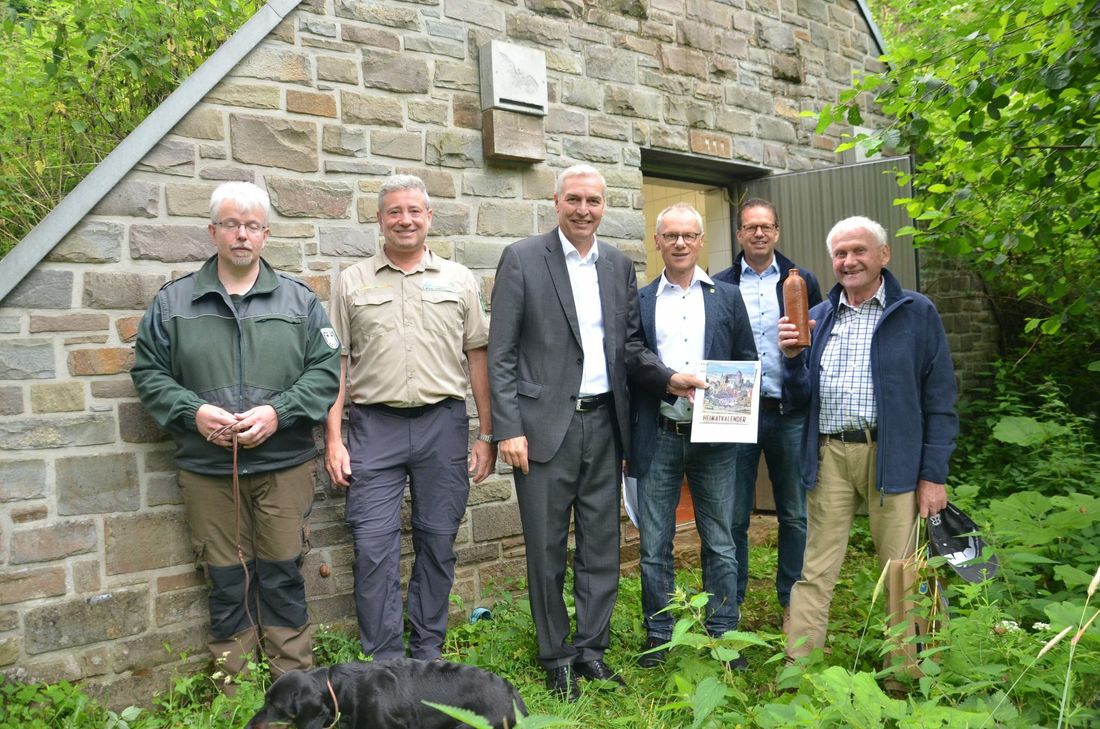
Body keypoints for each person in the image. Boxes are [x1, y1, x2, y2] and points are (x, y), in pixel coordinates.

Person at [488, 164, 704, 701]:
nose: (584, 210)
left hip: (606, 423)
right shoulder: (521, 258)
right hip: (541, 430)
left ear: (604, 207)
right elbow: (502, 353)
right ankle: (556, 654)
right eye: (574, 199)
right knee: (545, 548)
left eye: (594, 201)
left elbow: (629, 346)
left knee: (602, 546)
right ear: (556, 201)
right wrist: (506, 428)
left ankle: (591, 650)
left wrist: (669, 378)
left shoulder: (616, 264)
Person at [131, 181, 341, 682]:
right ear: (213, 231)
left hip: (283, 465)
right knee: (226, 580)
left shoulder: (300, 303)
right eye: (231, 224)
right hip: (208, 470)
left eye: (251, 226)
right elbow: (148, 373)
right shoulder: (173, 302)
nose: (241, 235)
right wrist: (192, 410)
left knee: (284, 573)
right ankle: (236, 687)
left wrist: (279, 412)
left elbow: (326, 371)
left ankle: (293, 684)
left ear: (265, 235)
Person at [325, 174, 495, 662]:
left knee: (438, 542)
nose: (405, 220)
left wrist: (486, 433)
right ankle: (385, 663)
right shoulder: (352, 281)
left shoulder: (460, 279)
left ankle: (426, 654)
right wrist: (335, 440)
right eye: (394, 212)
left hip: (442, 425)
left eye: (414, 211)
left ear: (429, 218)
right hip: (373, 427)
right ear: (380, 220)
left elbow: (477, 357)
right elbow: (335, 363)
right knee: (373, 549)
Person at [778, 215, 957, 663]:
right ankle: (798, 669)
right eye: (840, 253)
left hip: (892, 457)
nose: (849, 261)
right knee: (814, 569)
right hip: (830, 454)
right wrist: (792, 358)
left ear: (883, 255)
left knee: (902, 570)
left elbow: (940, 400)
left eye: (858, 250)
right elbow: (799, 399)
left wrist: (933, 475)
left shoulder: (916, 313)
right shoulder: (816, 316)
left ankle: (909, 674)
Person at [630, 203, 758, 669]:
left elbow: (745, 361)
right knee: (653, 544)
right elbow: (632, 361)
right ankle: (661, 636)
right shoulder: (642, 300)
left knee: (721, 540)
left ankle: (723, 635)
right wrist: (666, 379)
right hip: (660, 434)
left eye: (689, 235)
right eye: (671, 235)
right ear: (658, 242)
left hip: (717, 438)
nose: (680, 243)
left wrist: (736, 410)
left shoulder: (727, 297)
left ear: (701, 241)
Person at [713, 198, 822, 630]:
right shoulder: (720, 283)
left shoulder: (801, 281)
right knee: (734, 514)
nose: (759, 233)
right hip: (735, 412)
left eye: (766, 226)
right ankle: (732, 600)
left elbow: (817, 337)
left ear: (777, 232)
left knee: (794, 512)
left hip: (787, 409)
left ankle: (792, 599)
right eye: (750, 227)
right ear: (739, 234)